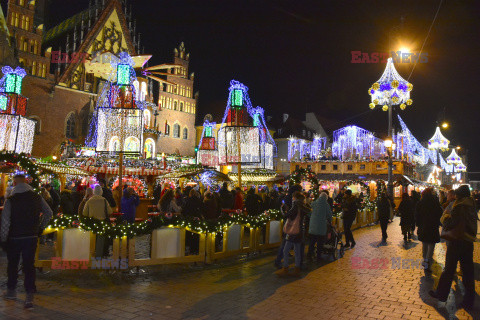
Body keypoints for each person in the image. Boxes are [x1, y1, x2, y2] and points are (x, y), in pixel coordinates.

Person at [0, 174, 53, 309]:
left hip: (14, 237)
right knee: (29, 266)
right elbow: (49, 213)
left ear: (15, 183)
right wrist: (40, 227)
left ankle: (11, 291)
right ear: (26, 182)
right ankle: (29, 295)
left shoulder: (11, 200)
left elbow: (5, 222)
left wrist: (3, 239)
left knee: (13, 265)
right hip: (31, 236)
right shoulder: (37, 197)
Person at [429, 185, 477, 309]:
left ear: (460, 195)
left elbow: (451, 223)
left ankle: (441, 294)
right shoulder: (471, 204)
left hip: (457, 241)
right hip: (468, 241)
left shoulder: (459, 206)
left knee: (449, 269)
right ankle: (469, 300)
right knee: (468, 271)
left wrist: (445, 218)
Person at [276, 192, 311, 277]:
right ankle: (297, 269)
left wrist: (282, 209)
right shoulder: (303, 206)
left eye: (293, 197)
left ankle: (285, 268)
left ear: (295, 197)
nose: (292, 199)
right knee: (297, 250)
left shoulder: (295, 205)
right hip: (300, 231)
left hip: (293, 231)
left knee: (286, 250)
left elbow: (287, 215)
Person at [415, 188, 443, 273]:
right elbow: (440, 213)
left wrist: (418, 224)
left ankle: (425, 259)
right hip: (433, 226)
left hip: (423, 226)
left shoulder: (420, 202)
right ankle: (427, 261)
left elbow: (417, 215)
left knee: (425, 243)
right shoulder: (435, 202)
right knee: (431, 244)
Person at [82, 185, 113, 258]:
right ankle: (102, 254)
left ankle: (93, 253)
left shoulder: (90, 200)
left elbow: (84, 213)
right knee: (102, 239)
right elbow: (109, 211)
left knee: (93, 239)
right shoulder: (104, 200)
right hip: (102, 223)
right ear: (101, 192)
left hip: (92, 223)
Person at [307, 192, 332, 262]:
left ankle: (309, 255)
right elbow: (329, 215)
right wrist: (330, 220)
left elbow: (309, 213)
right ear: (326, 198)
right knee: (320, 243)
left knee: (312, 241)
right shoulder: (326, 205)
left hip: (312, 226)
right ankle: (318, 257)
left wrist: (312, 219)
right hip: (321, 226)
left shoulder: (313, 203)